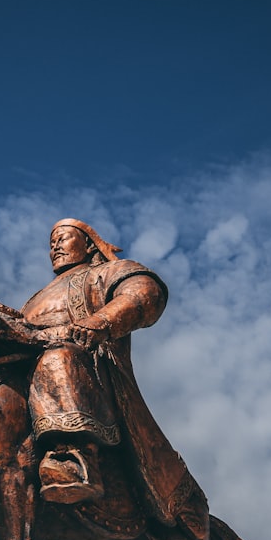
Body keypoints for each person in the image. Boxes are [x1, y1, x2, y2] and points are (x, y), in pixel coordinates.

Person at [20, 219, 192, 523]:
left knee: (57, 359)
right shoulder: (33, 300)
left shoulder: (106, 272)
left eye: (63, 238)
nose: (55, 247)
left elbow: (144, 293)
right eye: (51, 243)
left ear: (87, 244)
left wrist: (101, 322)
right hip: (30, 373)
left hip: (87, 368)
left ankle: (73, 454)